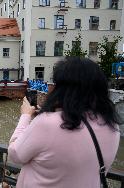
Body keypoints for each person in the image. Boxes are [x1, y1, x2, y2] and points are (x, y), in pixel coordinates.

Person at [8, 57, 120, 188]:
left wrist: (26, 116)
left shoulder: (47, 123)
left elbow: (15, 154)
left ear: (63, 88)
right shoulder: (112, 126)